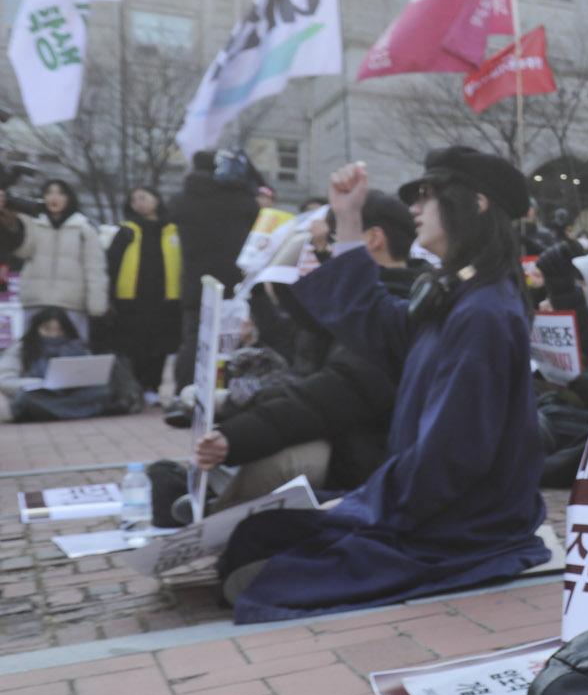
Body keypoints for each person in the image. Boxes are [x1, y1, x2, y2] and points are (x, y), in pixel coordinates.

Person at [214, 147, 549, 621]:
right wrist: (349, 219)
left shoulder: (483, 312)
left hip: (461, 522)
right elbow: (373, 320)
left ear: (476, 204)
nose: (415, 207)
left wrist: (361, 504)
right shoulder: (457, 294)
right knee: (255, 538)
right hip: (421, 500)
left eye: (429, 195)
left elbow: (452, 455)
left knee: (265, 571)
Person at [191, 192, 419, 511]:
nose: (327, 251)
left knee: (283, 461)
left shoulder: (394, 311)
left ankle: (223, 521)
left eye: (334, 240)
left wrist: (237, 432)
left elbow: (331, 395)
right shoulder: (378, 299)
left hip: (367, 460)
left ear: (372, 239)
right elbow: (310, 324)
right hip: (345, 435)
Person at [166, 150, 261, 406]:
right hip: (237, 281)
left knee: (194, 339)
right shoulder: (241, 198)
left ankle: (183, 395)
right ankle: (231, 393)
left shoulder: (181, 200)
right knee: (235, 337)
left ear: (193, 169)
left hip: (196, 281)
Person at [105, 186, 182, 405]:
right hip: (132, 300)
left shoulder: (172, 231)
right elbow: (112, 265)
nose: (139, 203)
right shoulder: (126, 231)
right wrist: (110, 296)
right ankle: (136, 387)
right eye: (134, 200)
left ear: (156, 200)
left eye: (143, 197)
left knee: (161, 346)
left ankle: (153, 388)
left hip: (166, 300)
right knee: (134, 347)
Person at [0, 306, 136, 421]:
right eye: (47, 329)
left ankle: (57, 412)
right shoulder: (22, 348)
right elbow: (5, 380)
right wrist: (41, 383)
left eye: (59, 330)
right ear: (37, 328)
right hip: (40, 394)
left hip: (73, 393)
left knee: (104, 391)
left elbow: (89, 375)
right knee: (25, 399)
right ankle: (83, 410)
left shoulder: (75, 346)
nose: (53, 335)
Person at [14, 179, 107, 342]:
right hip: (36, 301)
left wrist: (97, 306)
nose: (53, 198)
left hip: (71, 305)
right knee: (32, 351)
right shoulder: (33, 224)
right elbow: (22, 252)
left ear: (69, 198)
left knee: (72, 352)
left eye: (60, 193)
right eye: (48, 193)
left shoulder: (84, 229)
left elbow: (95, 269)